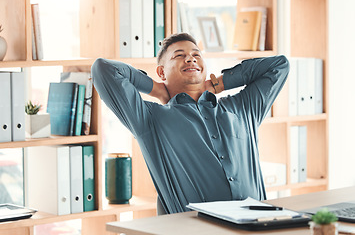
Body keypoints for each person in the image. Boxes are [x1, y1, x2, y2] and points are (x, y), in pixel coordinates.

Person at [92, 33, 289, 215]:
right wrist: (156, 89)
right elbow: (104, 69)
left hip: (259, 224)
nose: (190, 58)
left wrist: (221, 83)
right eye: (179, 56)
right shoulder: (151, 119)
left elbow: (279, 66)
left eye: (196, 55)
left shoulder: (242, 108)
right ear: (161, 72)